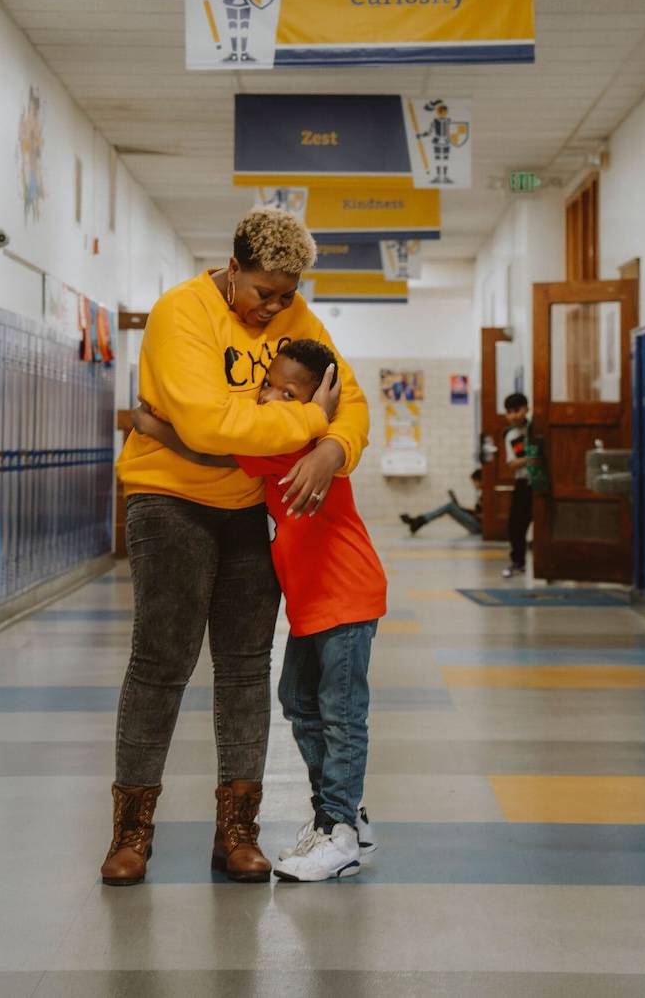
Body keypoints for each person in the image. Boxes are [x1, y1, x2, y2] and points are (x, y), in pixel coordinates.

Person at [101, 209, 369, 888]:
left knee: (247, 666)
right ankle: (132, 830)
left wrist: (333, 449)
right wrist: (309, 420)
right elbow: (208, 420)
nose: (276, 307)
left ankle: (237, 830)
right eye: (263, 293)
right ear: (232, 266)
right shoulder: (179, 313)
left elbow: (354, 400)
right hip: (169, 500)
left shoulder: (298, 319)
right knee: (162, 661)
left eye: (287, 294)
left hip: (251, 510)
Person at [133, 338, 386, 883]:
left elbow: (214, 450)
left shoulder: (302, 440)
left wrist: (150, 427)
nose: (269, 396)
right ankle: (345, 819)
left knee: (341, 715)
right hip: (314, 602)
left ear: (317, 400)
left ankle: (339, 828)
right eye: (268, 382)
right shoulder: (287, 435)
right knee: (297, 698)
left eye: (286, 392)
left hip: (344, 596)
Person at [501, 393, 532, 578]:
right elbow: (511, 463)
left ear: (526, 409)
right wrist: (530, 459)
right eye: (509, 412)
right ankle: (518, 562)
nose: (513, 416)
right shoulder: (510, 435)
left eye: (517, 410)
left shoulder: (535, 427)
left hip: (541, 482)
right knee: (515, 525)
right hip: (522, 482)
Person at [400, 468, 483, 536]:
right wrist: (464, 510)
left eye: (475, 482)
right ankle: (419, 521)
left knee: (450, 506)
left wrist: (473, 514)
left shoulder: (487, 496)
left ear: (481, 481)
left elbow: (483, 516)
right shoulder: (483, 495)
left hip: (478, 527)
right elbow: (478, 511)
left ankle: (419, 521)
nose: (474, 485)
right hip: (476, 523)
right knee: (451, 506)